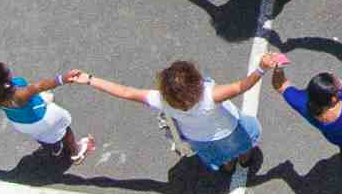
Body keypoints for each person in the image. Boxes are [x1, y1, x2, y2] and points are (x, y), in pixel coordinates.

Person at [72, 56, 269, 174]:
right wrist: (262, 68)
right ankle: (245, 158)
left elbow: (125, 92)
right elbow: (243, 85)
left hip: (200, 139)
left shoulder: (161, 100)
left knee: (221, 155)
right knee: (242, 144)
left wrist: (90, 79)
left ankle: (228, 165)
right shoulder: (211, 95)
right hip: (229, 131)